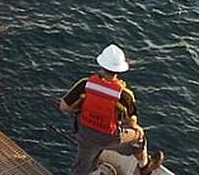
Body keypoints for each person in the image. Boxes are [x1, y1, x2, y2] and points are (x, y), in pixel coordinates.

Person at [59, 44, 165, 175]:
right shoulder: (124, 94)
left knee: (81, 168)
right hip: (109, 138)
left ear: (101, 65)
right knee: (139, 137)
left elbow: (64, 106)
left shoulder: (85, 84)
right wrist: (138, 129)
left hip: (85, 134)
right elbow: (132, 121)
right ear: (119, 70)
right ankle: (144, 166)